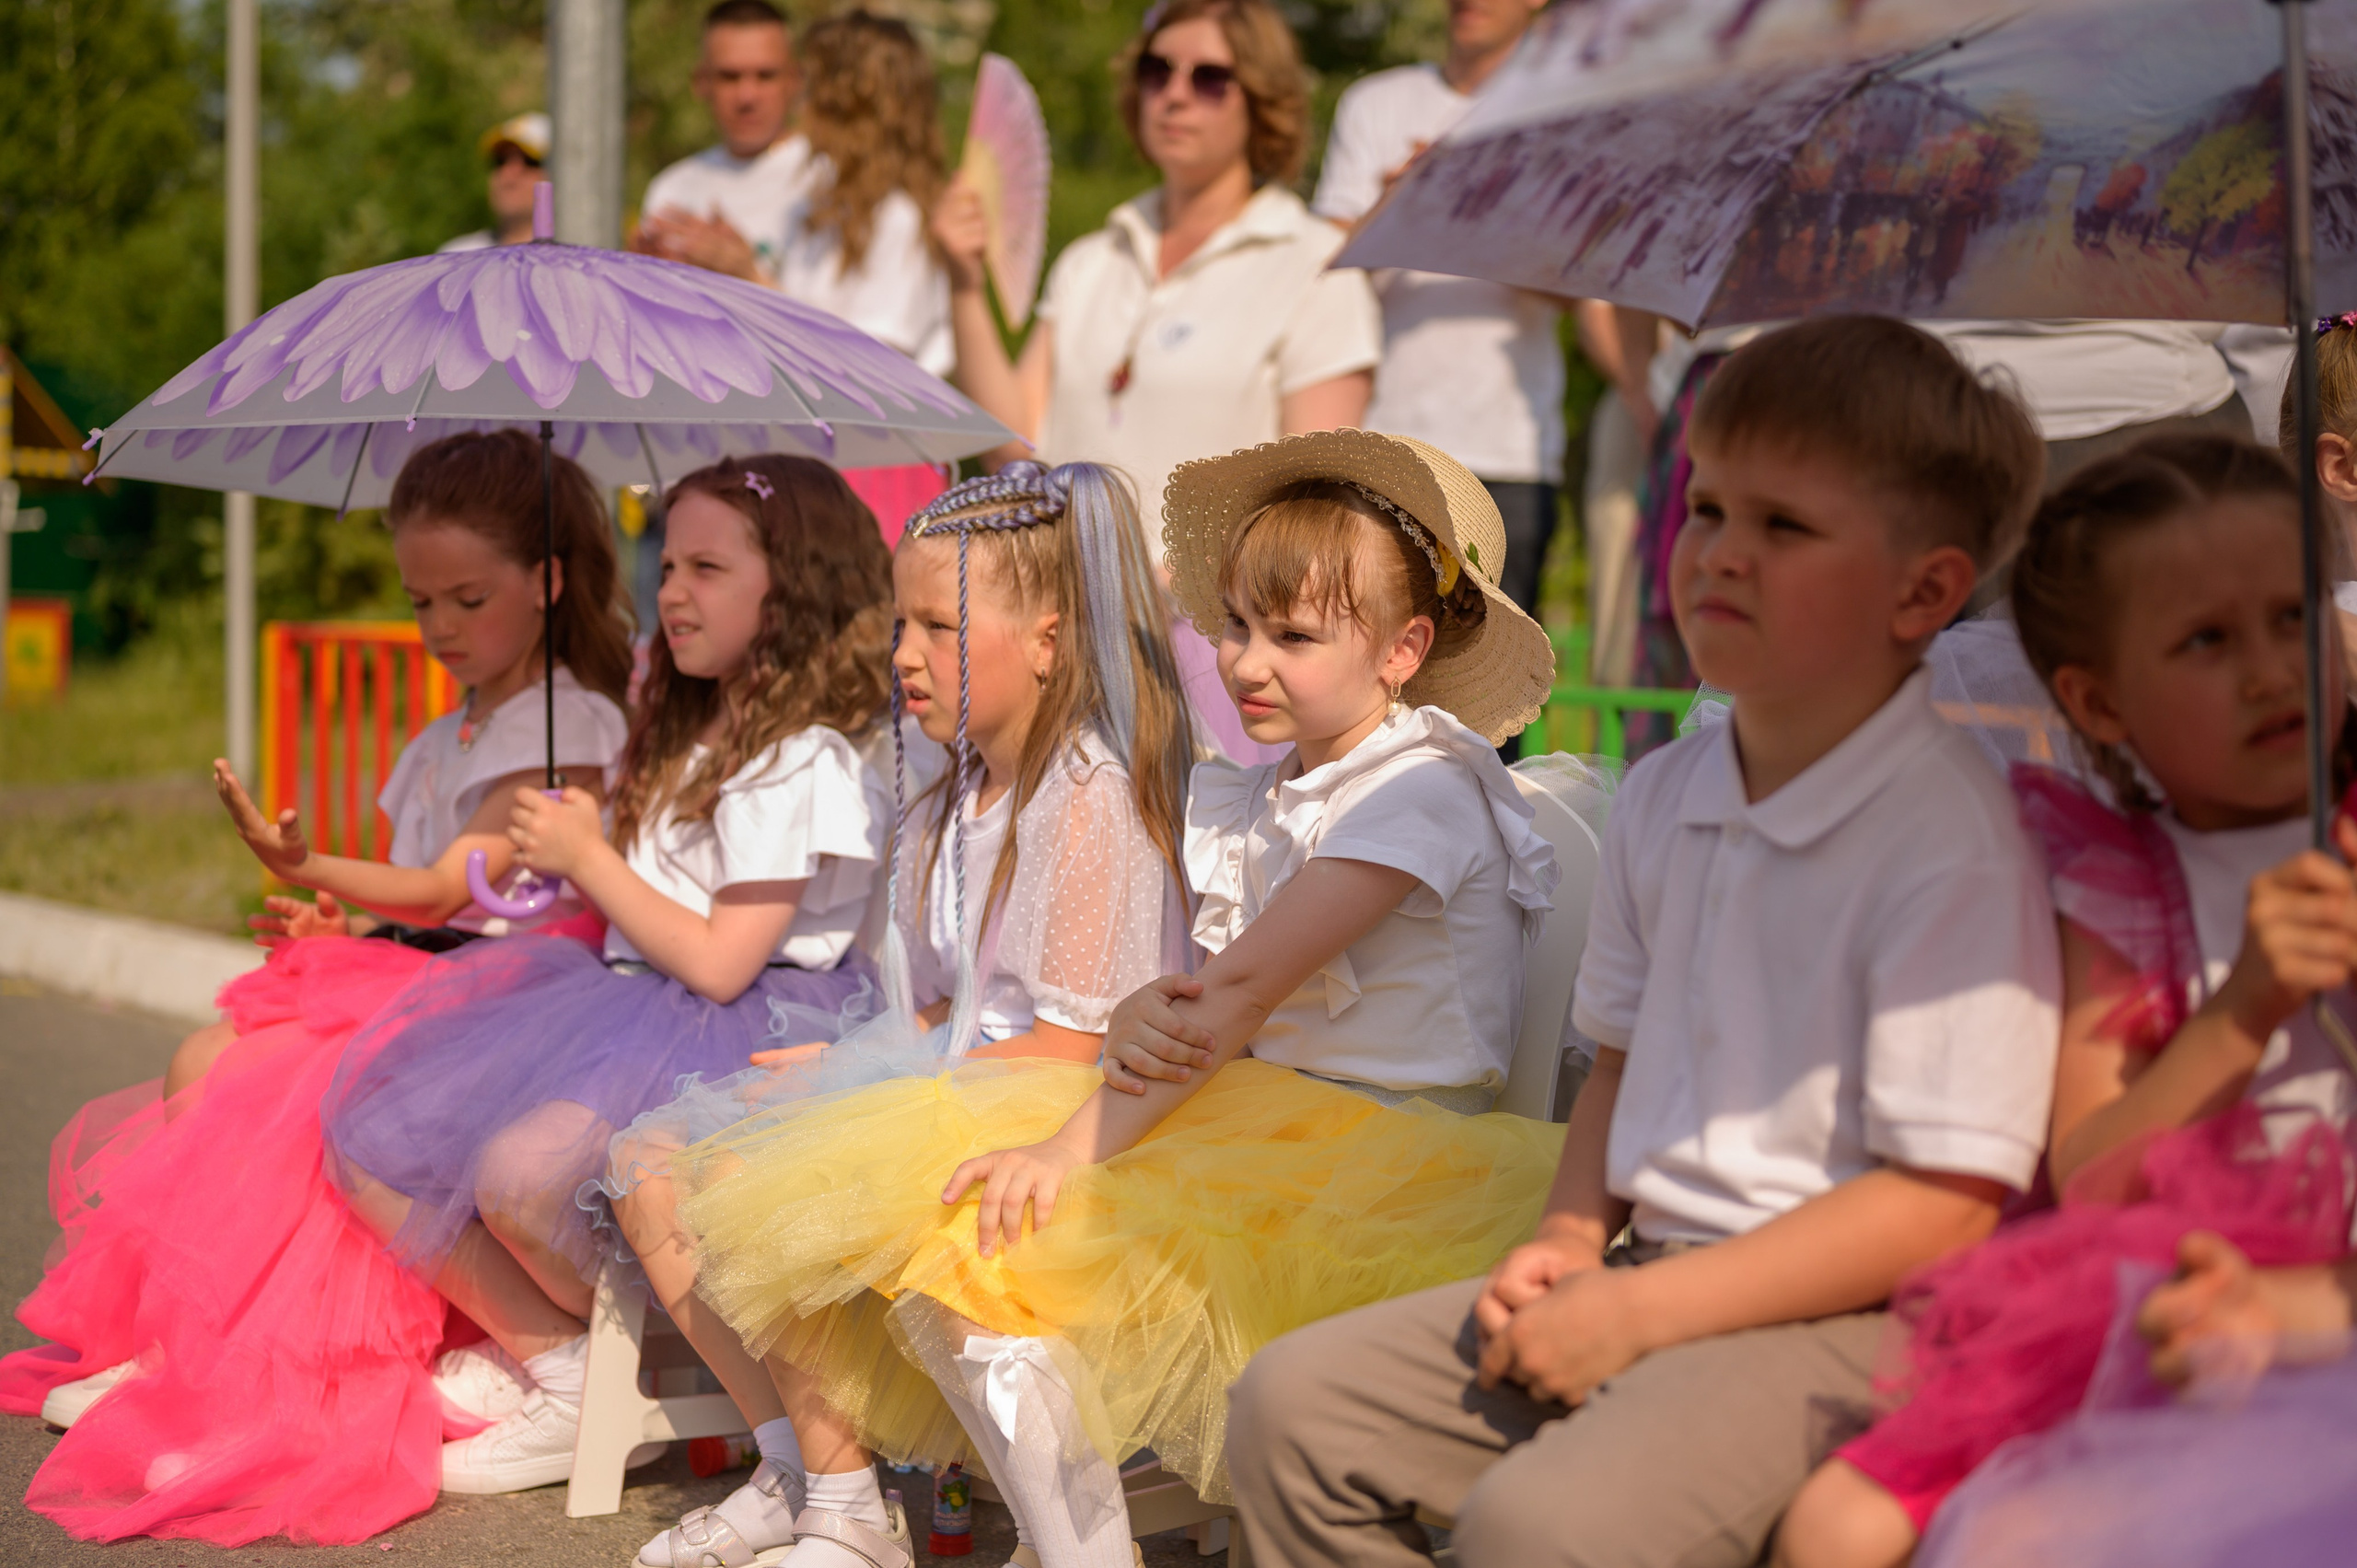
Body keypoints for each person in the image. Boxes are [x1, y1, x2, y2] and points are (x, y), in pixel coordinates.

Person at [1223, 318, 2063, 1568]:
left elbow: (1940, 1204)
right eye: (1709, 507)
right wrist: (1569, 1241)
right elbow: (1616, 1062)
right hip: (1652, 1261)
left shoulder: (1951, 837)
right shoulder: (1668, 794)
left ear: (1924, 591)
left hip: (1853, 1318)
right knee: (1291, 1412)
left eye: (1786, 526)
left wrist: (1644, 1308)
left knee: (1537, 1526)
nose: (1720, 552)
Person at [668, 429, 1569, 1568]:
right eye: (1236, 625)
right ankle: (1069, 1543)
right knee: (964, 1242)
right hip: (1268, 1118)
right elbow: (1210, 994)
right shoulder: (1272, 786)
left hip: (1386, 1158)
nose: (1247, 663)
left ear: (1404, 648)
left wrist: (1068, 1143)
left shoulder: (1419, 789)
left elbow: (1240, 989)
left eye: (1293, 636)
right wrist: (1146, 1010)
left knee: (999, 1254)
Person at [0, 431, 634, 1546]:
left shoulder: (568, 721)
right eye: (420, 600)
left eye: (468, 598)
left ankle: (250, 1370)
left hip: (516, 999)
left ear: (546, 580)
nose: (439, 625)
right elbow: (419, 905)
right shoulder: (448, 731)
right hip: (434, 968)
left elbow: (449, 886)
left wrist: (307, 864)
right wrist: (343, 925)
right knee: (206, 1058)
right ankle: (191, 1343)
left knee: (288, 1081)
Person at [1774, 436, 2357, 1568]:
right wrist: (2240, 1009)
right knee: (1833, 1528)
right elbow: (2090, 1166)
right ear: (2098, 700)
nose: (2270, 671)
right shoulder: (2125, 882)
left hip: (2326, 1301)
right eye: (2206, 640)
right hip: (2173, 1295)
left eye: (2294, 617)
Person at [610, 459, 1197, 1568]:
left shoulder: (1088, 801)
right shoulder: (946, 800)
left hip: (1072, 1116)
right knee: (651, 1159)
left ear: (1049, 639)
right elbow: (947, 999)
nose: (904, 656)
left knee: (757, 1179)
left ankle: (847, 1504)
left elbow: (1070, 1044)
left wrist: (877, 1092)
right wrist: (848, 1063)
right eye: (900, 625)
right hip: (969, 1081)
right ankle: (809, 1477)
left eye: (939, 626)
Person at [318, 456, 894, 1495]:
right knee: (378, 1131)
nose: (672, 591)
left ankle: (635, 1368)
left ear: (795, 586)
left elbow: (722, 960)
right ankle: (562, 1357)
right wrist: (566, 850)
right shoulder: (682, 725)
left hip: (746, 1016)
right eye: (666, 564)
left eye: (708, 567)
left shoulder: (802, 756)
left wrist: (591, 859)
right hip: (629, 995)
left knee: (520, 1173)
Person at [931, 0, 1382, 762]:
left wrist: (1161, 585)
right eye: (1156, 70)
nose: (1174, 94)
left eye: (1210, 78)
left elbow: (1313, 488)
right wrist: (965, 284)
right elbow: (1014, 448)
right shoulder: (1092, 258)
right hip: (1066, 631)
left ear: (1262, 100)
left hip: (1215, 648)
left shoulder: (1315, 264)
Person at [1310, 0, 1560, 629]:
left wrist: (1470, 202)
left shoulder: (1566, 110)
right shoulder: (1375, 103)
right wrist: (1404, 200)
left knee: (1496, 678)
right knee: (1368, 660)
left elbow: (1585, 284)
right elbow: (1318, 268)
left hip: (1510, 450)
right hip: (1383, 441)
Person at [633, 0, 810, 286]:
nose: (747, 96)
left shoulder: (829, 182)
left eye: (765, 76)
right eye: (729, 77)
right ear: (700, 82)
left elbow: (846, 314)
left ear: (796, 80)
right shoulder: (672, 188)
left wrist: (747, 276)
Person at [439, 113, 552, 252]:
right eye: (500, 161)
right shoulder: (456, 255)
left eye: (530, 161)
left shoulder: (575, 255)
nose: (508, 174)